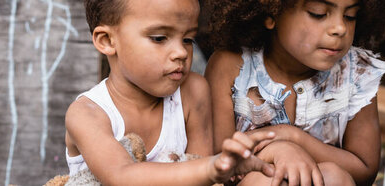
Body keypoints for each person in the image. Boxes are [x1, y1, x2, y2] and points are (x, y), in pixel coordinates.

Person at [202, 0, 385, 185]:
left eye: (350, 16)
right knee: (263, 180)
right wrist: (277, 151)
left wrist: (295, 138)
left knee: (334, 176)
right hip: (257, 178)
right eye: (318, 13)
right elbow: (219, 165)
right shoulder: (230, 67)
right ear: (271, 12)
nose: (340, 28)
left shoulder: (357, 73)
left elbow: (364, 171)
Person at [64, 0, 276, 185]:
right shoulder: (87, 113)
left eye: (188, 39)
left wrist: (213, 168)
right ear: (107, 41)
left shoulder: (192, 93)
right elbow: (122, 176)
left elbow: (196, 164)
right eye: (159, 38)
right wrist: (209, 169)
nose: (181, 52)